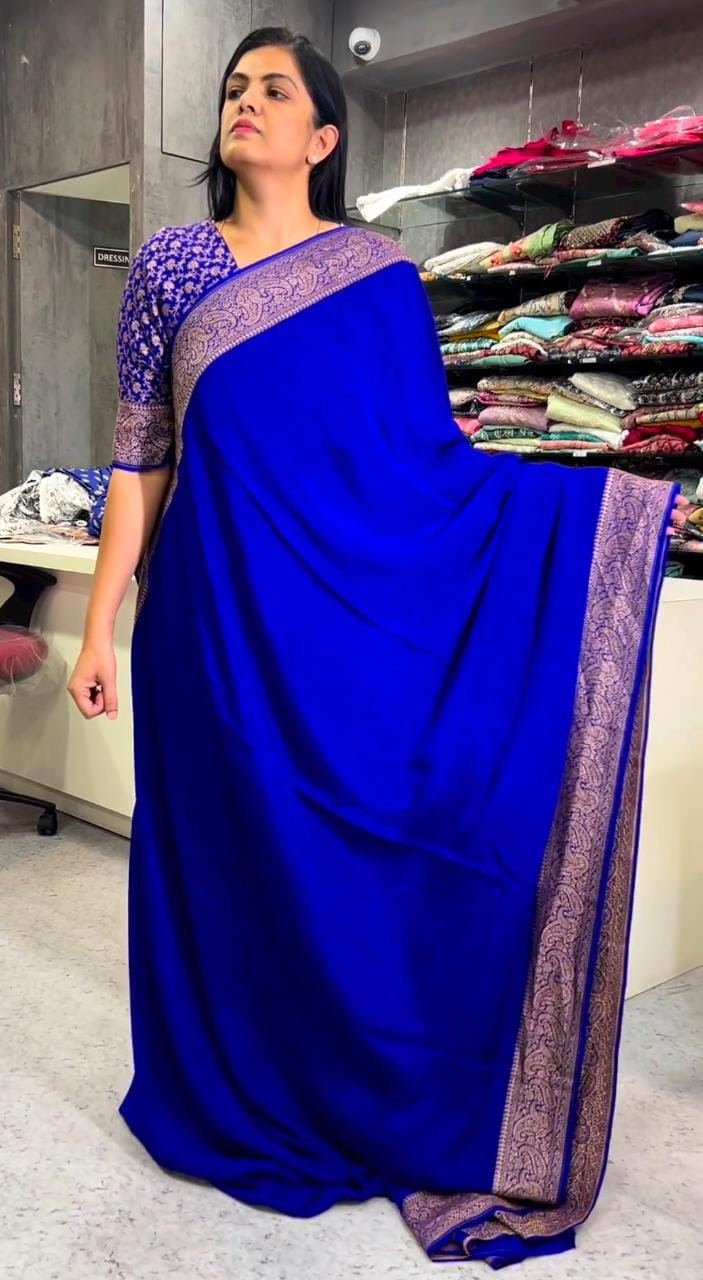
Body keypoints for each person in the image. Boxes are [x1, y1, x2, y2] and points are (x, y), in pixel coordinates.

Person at [68, 26, 686, 1269]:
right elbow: (139, 462)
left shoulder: (378, 276)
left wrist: (602, 512)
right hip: (206, 630)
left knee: (340, 855)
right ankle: (234, 1087)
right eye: (232, 88)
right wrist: (98, 625)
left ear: (322, 135)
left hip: (332, 624)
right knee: (226, 863)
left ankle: (369, 1083)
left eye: (273, 89)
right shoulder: (171, 267)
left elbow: (422, 469)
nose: (244, 103)